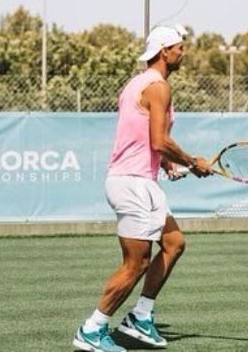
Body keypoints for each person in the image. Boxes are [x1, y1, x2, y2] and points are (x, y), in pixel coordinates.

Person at [73, 25, 213, 352]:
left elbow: (140, 138)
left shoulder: (136, 84)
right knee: (135, 265)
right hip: (133, 184)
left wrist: (166, 165)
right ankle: (92, 328)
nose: (184, 52)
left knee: (174, 243)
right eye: (180, 47)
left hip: (137, 180)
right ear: (164, 51)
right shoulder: (158, 87)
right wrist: (194, 162)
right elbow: (159, 140)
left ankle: (141, 316)